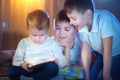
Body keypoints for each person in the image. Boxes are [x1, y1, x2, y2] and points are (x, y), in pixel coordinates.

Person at [64, 0, 120, 80]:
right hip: (102, 54)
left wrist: (106, 76)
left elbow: (108, 49)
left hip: (117, 53)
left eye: (73, 18)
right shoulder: (81, 26)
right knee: (91, 76)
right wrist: (87, 76)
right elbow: (85, 50)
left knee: (101, 77)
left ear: (88, 14)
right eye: (69, 18)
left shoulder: (104, 20)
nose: (71, 22)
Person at [7, 9, 66, 80]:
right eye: (34, 35)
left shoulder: (52, 43)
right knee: (11, 71)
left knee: (53, 67)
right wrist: (23, 64)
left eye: (42, 35)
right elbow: (16, 60)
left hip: (44, 68)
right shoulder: (24, 43)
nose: (38, 39)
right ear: (28, 30)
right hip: (27, 69)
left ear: (48, 30)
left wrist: (57, 60)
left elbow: (63, 62)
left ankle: (32, 79)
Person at [52, 9, 84, 80]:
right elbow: (65, 65)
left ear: (75, 31)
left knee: (81, 73)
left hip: (73, 66)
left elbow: (83, 62)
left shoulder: (80, 41)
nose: (61, 34)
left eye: (66, 29)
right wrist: (67, 47)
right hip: (60, 67)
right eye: (58, 28)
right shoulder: (52, 43)